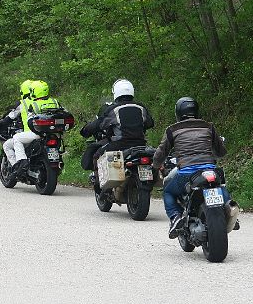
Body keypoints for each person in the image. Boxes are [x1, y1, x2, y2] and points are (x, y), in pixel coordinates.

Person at [152, 97, 228, 238]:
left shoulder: (172, 130)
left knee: (168, 191)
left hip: (187, 174)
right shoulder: (208, 126)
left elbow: (160, 153)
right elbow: (221, 151)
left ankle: (175, 217)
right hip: (210, 170)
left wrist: (156, 166)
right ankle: (229, 209)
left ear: (178, 113)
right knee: (220, 186)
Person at [80, 78, 154, 192]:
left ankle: (100, 185)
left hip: (119, 145)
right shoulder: (141, 108)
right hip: (141, 144)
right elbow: (150, 123)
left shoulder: (113, 109)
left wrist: (85, 130)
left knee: (96, 155)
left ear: (116, 93)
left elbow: (99, 124)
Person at [8, 80, 62, 173]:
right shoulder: (55, 101)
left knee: (16, 138)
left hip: (38, 133)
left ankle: (22, 162)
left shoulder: (34, 104)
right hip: (54, 134)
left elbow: (30, 121)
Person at [0, 80, 34, 167]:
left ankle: (17, 167)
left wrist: (1, 123)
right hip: (46, 133)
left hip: (29, 133)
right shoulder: (44, 102)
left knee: (9, 144)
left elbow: (10, 117)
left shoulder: (23, 103)